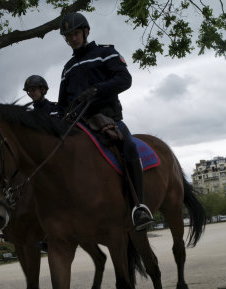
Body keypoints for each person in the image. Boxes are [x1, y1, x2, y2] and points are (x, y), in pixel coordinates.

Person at [57, 12, 155, 232]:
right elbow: (63, 104)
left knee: (128, 146)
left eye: (75, 33)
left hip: (107, 118)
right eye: (68, 36)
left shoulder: (105, 52)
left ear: (86, 32)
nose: (72, 39)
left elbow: (124, 79)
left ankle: (139, 206)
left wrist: (95, 90)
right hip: (77, 124)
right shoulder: (67, 68)